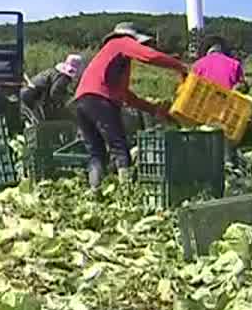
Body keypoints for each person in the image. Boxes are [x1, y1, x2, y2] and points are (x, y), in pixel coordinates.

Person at [71, 23, 186, 191]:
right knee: (119, 147)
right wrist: (179, 66)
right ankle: (126, 193)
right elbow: (150, 56)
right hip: (100, 100)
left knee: (96, 152)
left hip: (81, 101)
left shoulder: (109, 58)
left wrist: (154, 110)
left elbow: (126, 96)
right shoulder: (121, 42)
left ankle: (94, 190)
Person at [19, 54, 84, 127]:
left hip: (26, 96)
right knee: (37, 127)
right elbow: (54, 93)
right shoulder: (64, 78)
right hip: (31, 99)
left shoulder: (54, 72)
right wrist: (62, 104)